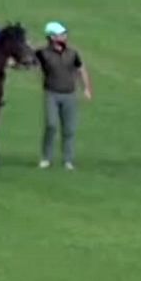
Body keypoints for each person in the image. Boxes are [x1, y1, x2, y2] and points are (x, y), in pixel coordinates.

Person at [36, 21, 92, 170]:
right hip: (51, 93)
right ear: (51, 37)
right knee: (51, 125)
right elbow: (29, 63)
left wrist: (86, 88)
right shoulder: (42, 53)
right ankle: (46, 158)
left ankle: (68, 159)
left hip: (69, 94)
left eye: (64, 34)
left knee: (69, 129)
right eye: (61, 34)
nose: (64, 36)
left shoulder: (72, 53)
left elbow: (81, 70)